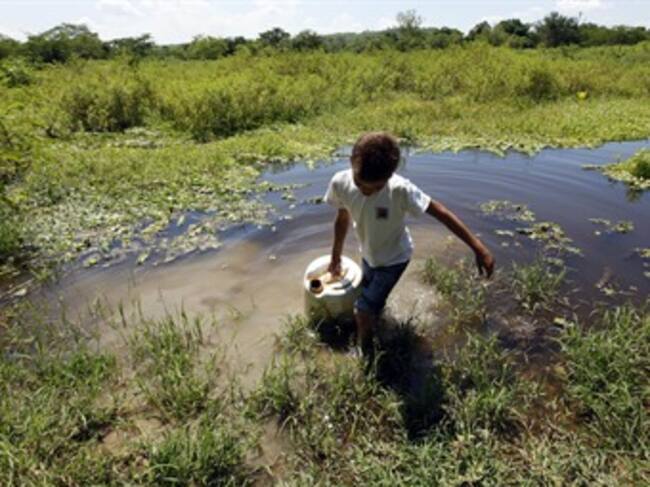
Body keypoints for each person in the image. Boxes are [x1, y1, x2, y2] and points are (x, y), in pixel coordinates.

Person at [324, 131, 494, 366]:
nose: (365, 191)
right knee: (370, 299)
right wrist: (335, 256)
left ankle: (366, 355)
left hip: (395, 259)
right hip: (369, 255)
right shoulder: (340, 182)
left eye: (374, 188)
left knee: (362, 310)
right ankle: (376, 320)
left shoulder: (400, 190)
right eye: (359, 183)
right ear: (351, 161)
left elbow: (441, 212)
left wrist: (478, 247)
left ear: (389, 176)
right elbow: (342, 218)